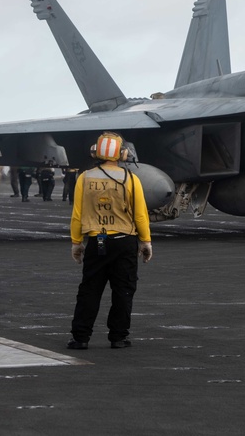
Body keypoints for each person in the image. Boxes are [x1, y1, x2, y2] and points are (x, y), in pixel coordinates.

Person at [68, 132, 152, 349]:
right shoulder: (131, 179)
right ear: (122, 153)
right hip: (125, 242)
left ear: (95, 152)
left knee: (90, 290)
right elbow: (140, 214)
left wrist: (77, 242)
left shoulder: (84, 178)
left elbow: (77, 214)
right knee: (123, 290)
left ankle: (80, 338)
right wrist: (146, 241)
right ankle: (118, 337)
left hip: (98, 242)